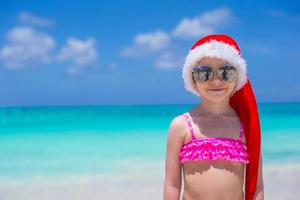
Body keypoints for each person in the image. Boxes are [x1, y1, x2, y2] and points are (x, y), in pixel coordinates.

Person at [163, 34, 264, 200]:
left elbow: (257, 185)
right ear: (193, 80)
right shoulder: (181, 126)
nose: (216, 81)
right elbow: (172, 184)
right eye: (204, 73)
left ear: (238, 77)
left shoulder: (245, 126)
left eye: (226, 72)